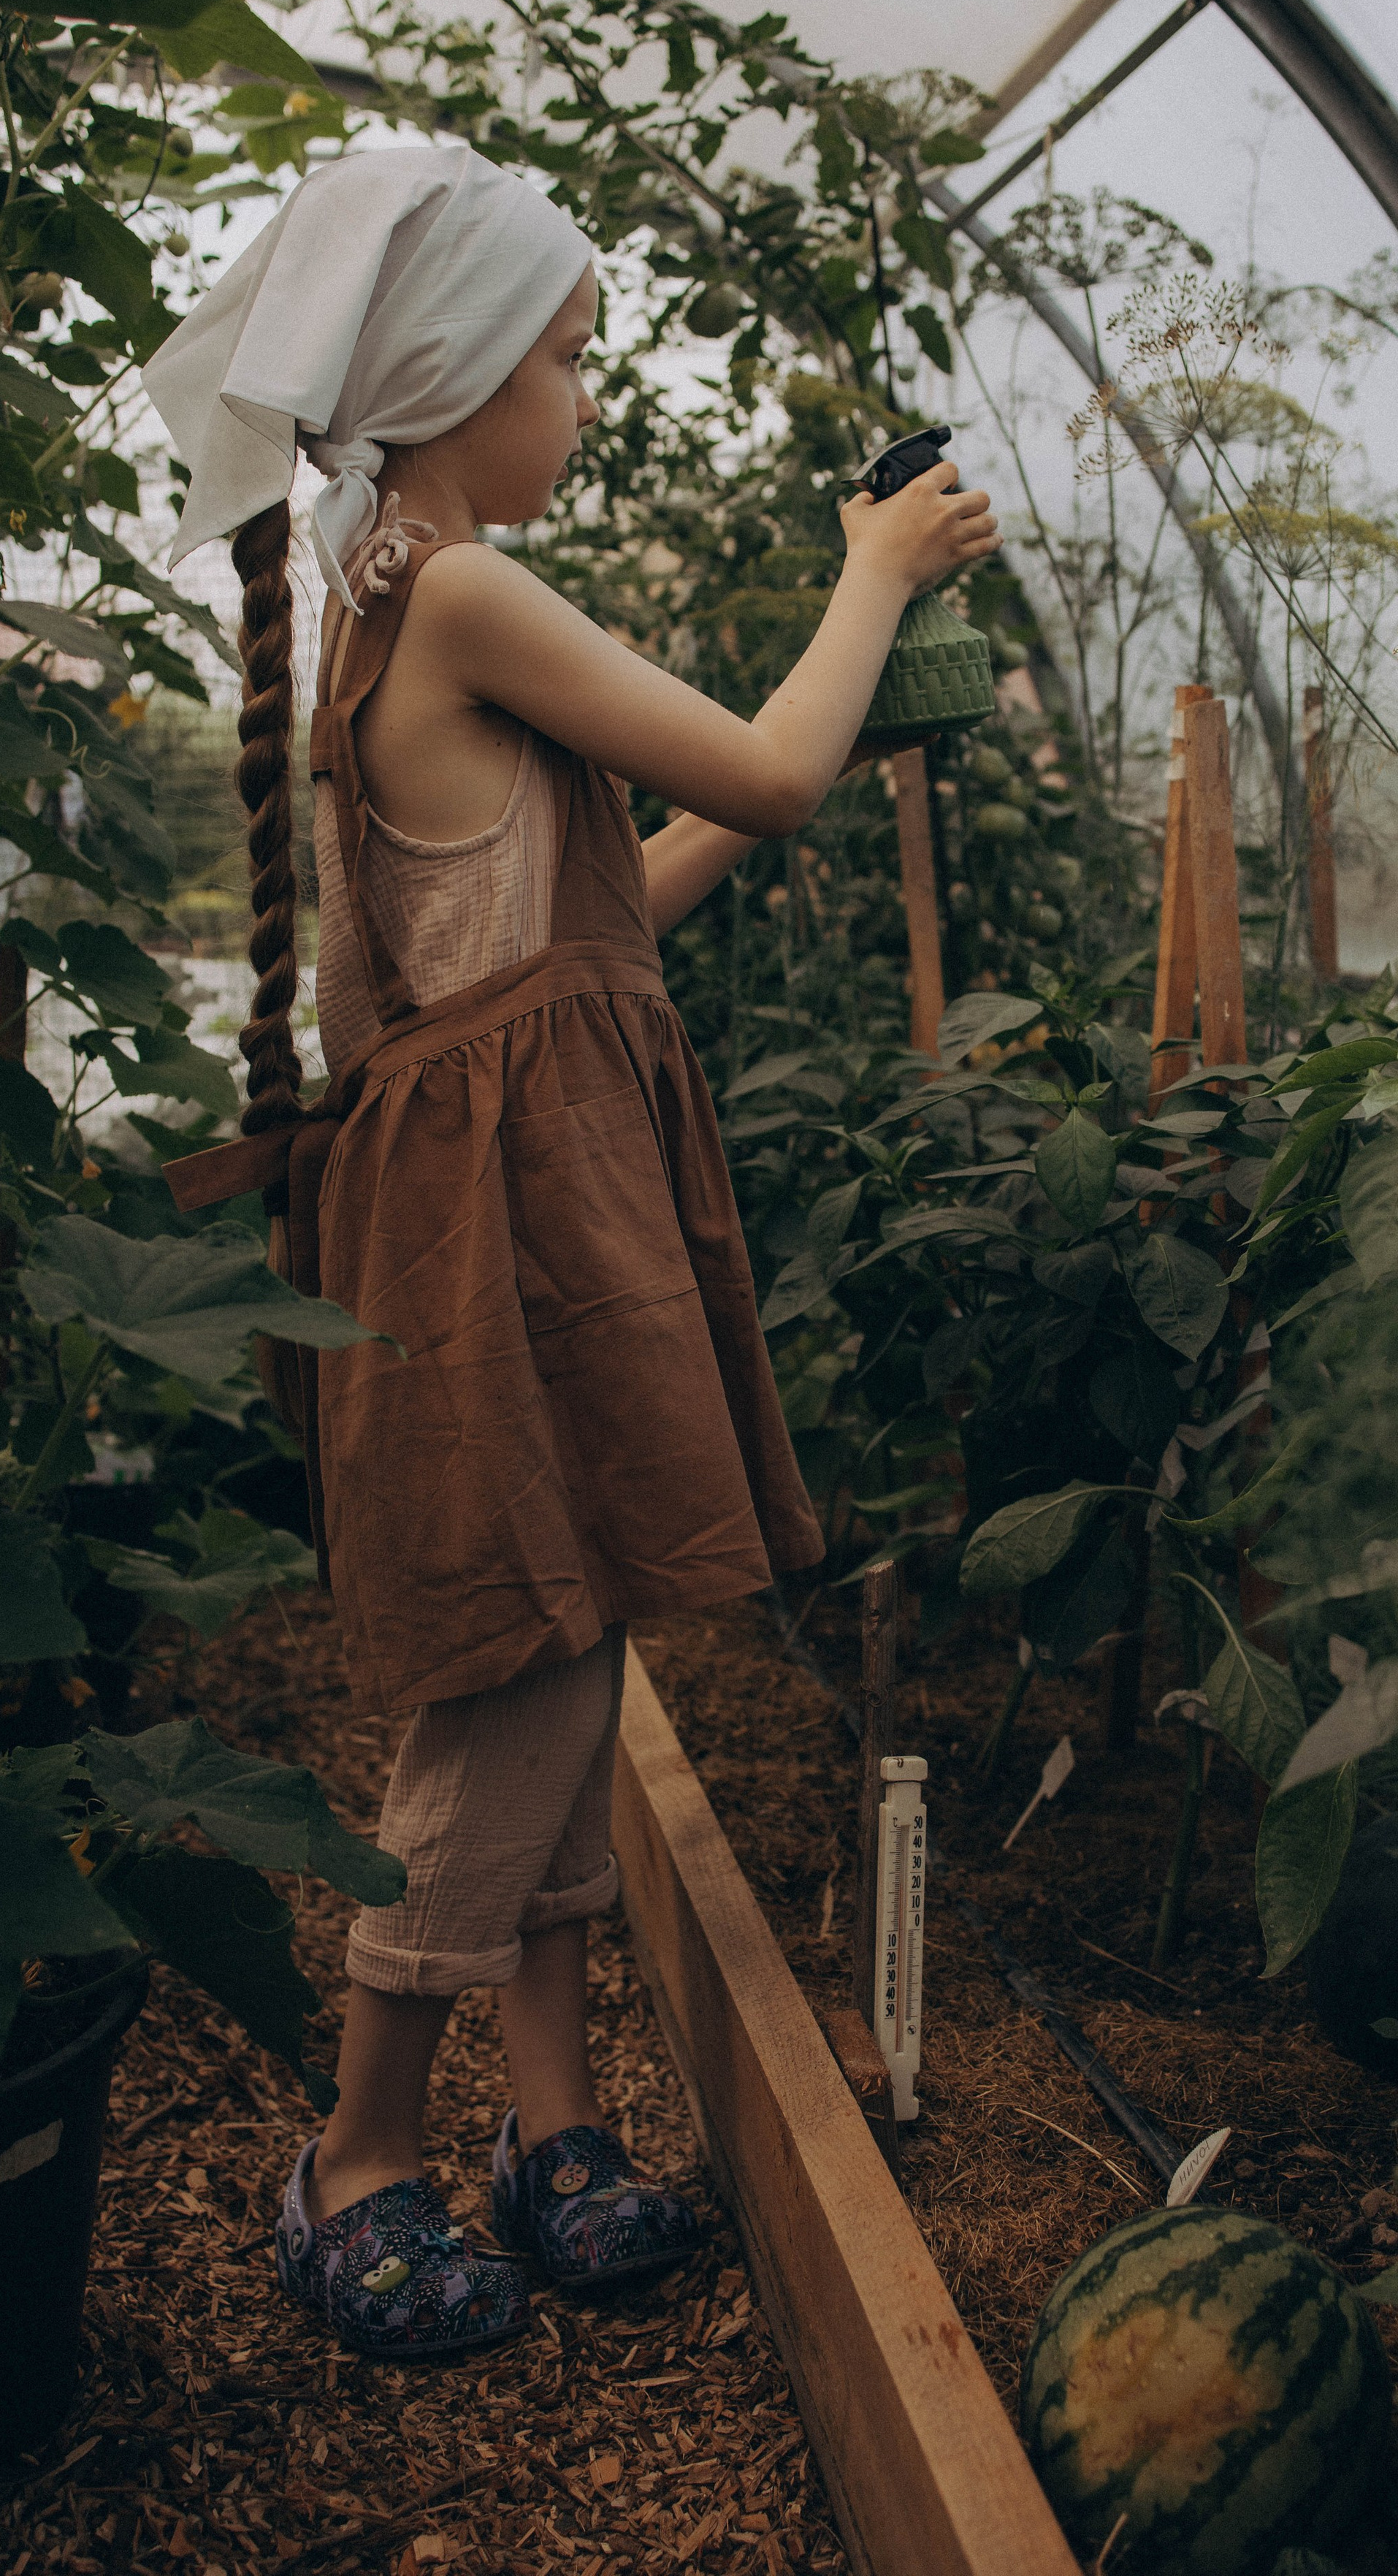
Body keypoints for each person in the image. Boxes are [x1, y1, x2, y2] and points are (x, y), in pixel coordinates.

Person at [145, 145, 998, 2361]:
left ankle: (556, 2125)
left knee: (575, 1631)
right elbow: (784, 778)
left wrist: (780, 752)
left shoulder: (388, 597)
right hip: (505, 1232)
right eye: (567, 356)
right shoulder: (457, 593)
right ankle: (357, 2164)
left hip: (528, 1197)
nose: (589, 395)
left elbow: (559, 946)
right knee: (514, 1662)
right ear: (446, 379)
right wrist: (871, 582)